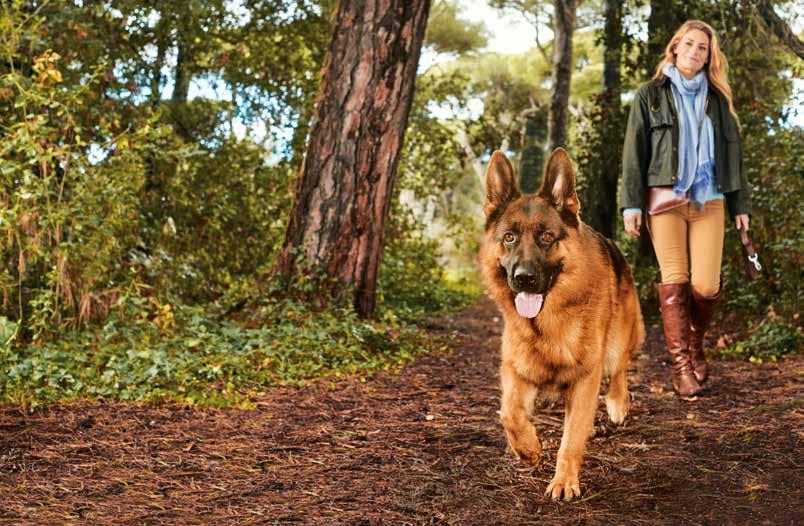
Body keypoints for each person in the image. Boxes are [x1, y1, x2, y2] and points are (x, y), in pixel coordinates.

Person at [620, 20, 751, 398]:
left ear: (710, 57)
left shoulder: (718, 100)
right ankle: (681, 369)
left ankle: (695, 344)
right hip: (666, 201)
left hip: (710, 199)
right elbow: (634, 153)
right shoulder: (651, 95)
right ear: (675, 47)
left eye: (703, 48)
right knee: (674, 280)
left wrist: (741, 204)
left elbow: (734, 155)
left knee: (706, 286)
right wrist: (631, 204)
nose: (695, 52)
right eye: (689, 44)